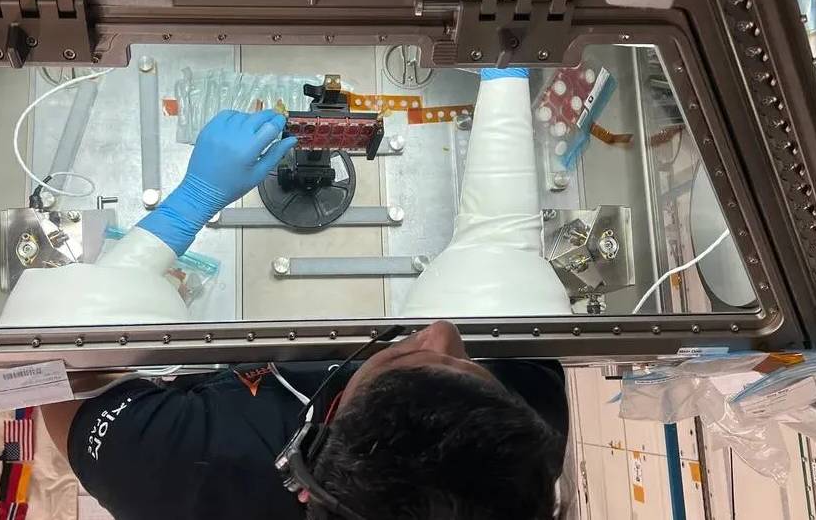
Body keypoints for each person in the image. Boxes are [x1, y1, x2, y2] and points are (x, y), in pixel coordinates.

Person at [42, 71, 570, 519]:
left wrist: (182, 213)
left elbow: (58, 380)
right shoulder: (508, 456)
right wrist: (505, 71)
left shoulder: (180, 473)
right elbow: (499, 239)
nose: (443, 332)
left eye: (406, 359)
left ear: (311, 452)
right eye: (469, 364)